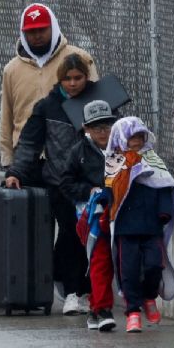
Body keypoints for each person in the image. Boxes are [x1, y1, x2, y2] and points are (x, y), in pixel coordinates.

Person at [4, 53, 94, 315]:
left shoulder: (98, 103)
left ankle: (86, 290)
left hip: (92, 182)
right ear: (60, 79)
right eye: (67, 78)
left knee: (92, 239)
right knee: (70, 234)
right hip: (60, 183)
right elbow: (29, 143)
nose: (73, 84)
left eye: (78, 78)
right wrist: (16, 171)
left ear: (86, 78)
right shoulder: (48, 106)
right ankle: (71, 291)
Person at [0, 3, 98, 171]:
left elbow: (96, 107)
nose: (37, 35)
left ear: (53, 27)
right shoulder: (12, 70)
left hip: (70, 157)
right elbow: (6, 117)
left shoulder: (79, 58)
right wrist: (8, 160)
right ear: (23, 33)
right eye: (31, 31)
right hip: (27, 160)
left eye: (42, 29)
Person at [103, 116, 174, 333]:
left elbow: (164, 185)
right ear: (121, 137)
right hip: (125, 227)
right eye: (131, 137)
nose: (136, 141)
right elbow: (110, 188)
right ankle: (133, 311)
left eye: (139, 136)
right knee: (129, 271)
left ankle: (149, 297)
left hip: (151, 225)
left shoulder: (153, 159)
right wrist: (104, 201)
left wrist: (164, 212)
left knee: (155, 265)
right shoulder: (114, 161)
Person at [58, 99, 118, 331]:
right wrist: (88, 191)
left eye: (106, 126)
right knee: (100, 260)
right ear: (86, 128)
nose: (103, 132)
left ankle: (103, 307)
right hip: (93, 216)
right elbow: (65, 183)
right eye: (96, 127)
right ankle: (102, 308)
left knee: (123, 260)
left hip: (121, 213)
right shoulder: (78, 152)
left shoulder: (124, 147)